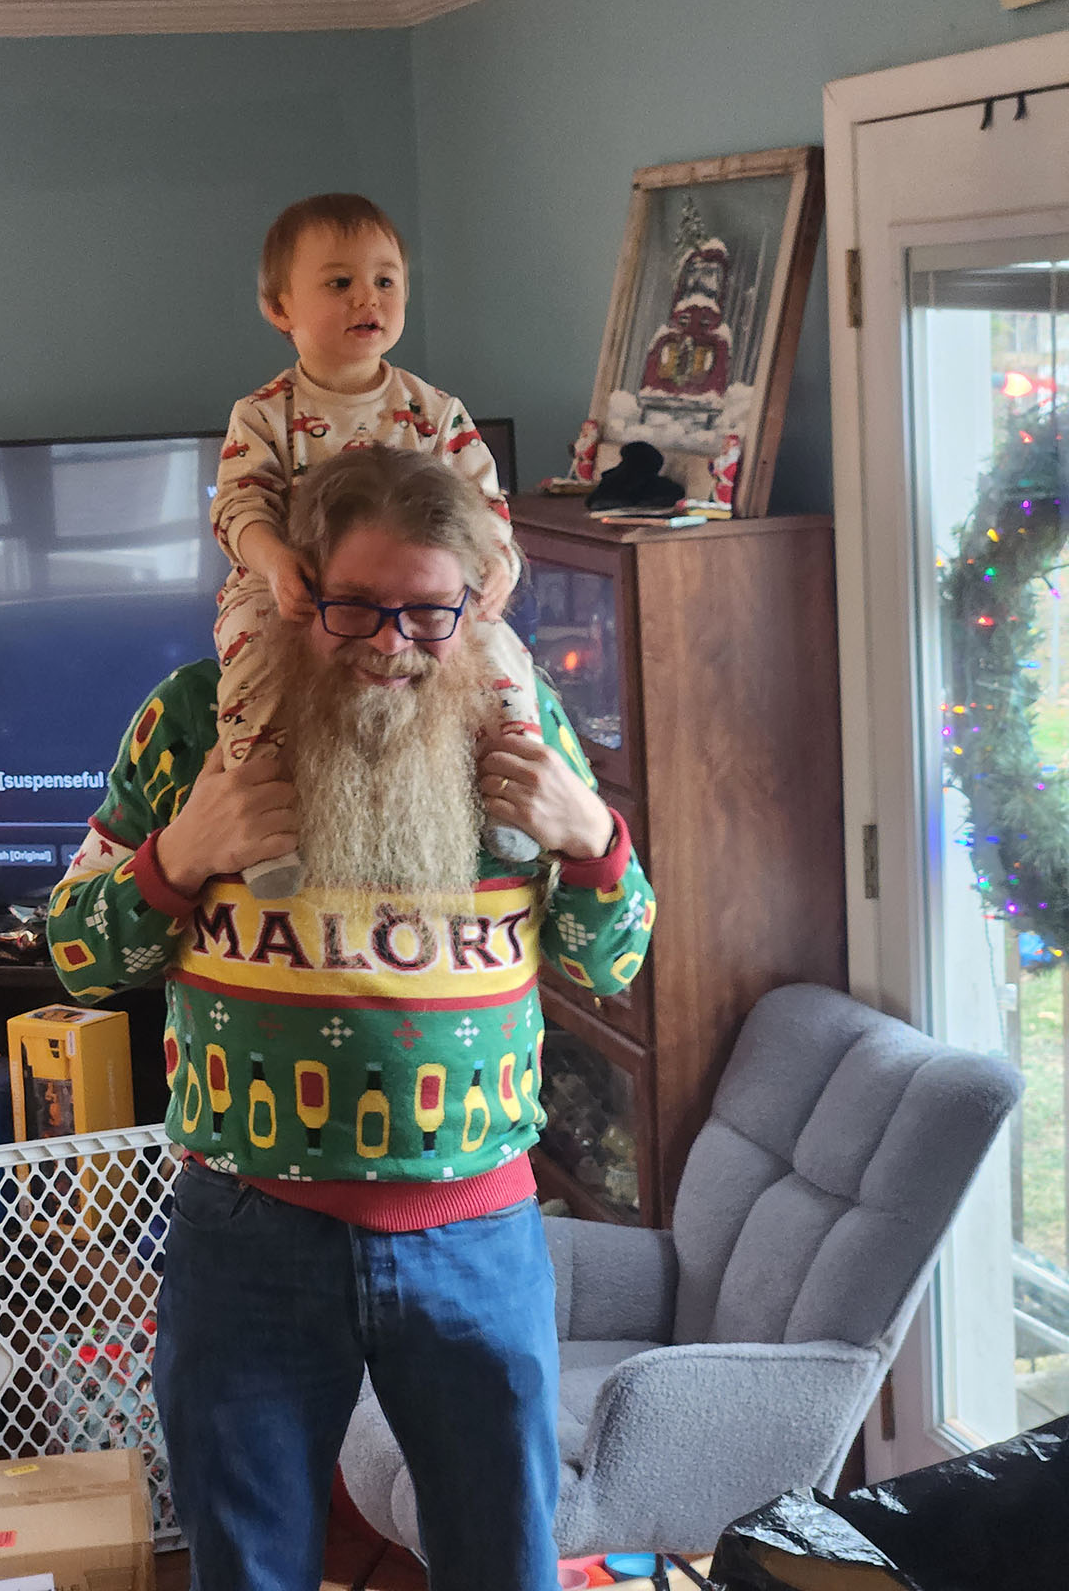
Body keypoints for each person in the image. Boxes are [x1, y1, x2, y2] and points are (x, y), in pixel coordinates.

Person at [47, 447, 656, 1591]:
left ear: (475, 604)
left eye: (430, 613)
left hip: (476, 1239)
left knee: (504, 1567)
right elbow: (76, 952)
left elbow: (611, 962)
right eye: (355, 608)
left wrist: (591, 838)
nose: (391, 644)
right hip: (247, 1228)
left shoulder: (520, 724)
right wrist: (180, 856)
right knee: (249, 1569)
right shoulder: (196, 722)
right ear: (298, 592)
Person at [210, 191, 541, 897]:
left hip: (428, 601)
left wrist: (497, 559)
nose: (369, 297)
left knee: (508, 656)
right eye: (339, 283)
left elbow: (484, 504)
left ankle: (512, 787)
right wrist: (273, 562)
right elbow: (240, 503)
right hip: (291, 585)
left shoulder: (434, 410)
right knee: (247, 654)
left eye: (386, 281)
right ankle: (266, 819)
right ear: (280, 308)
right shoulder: (265, 414)